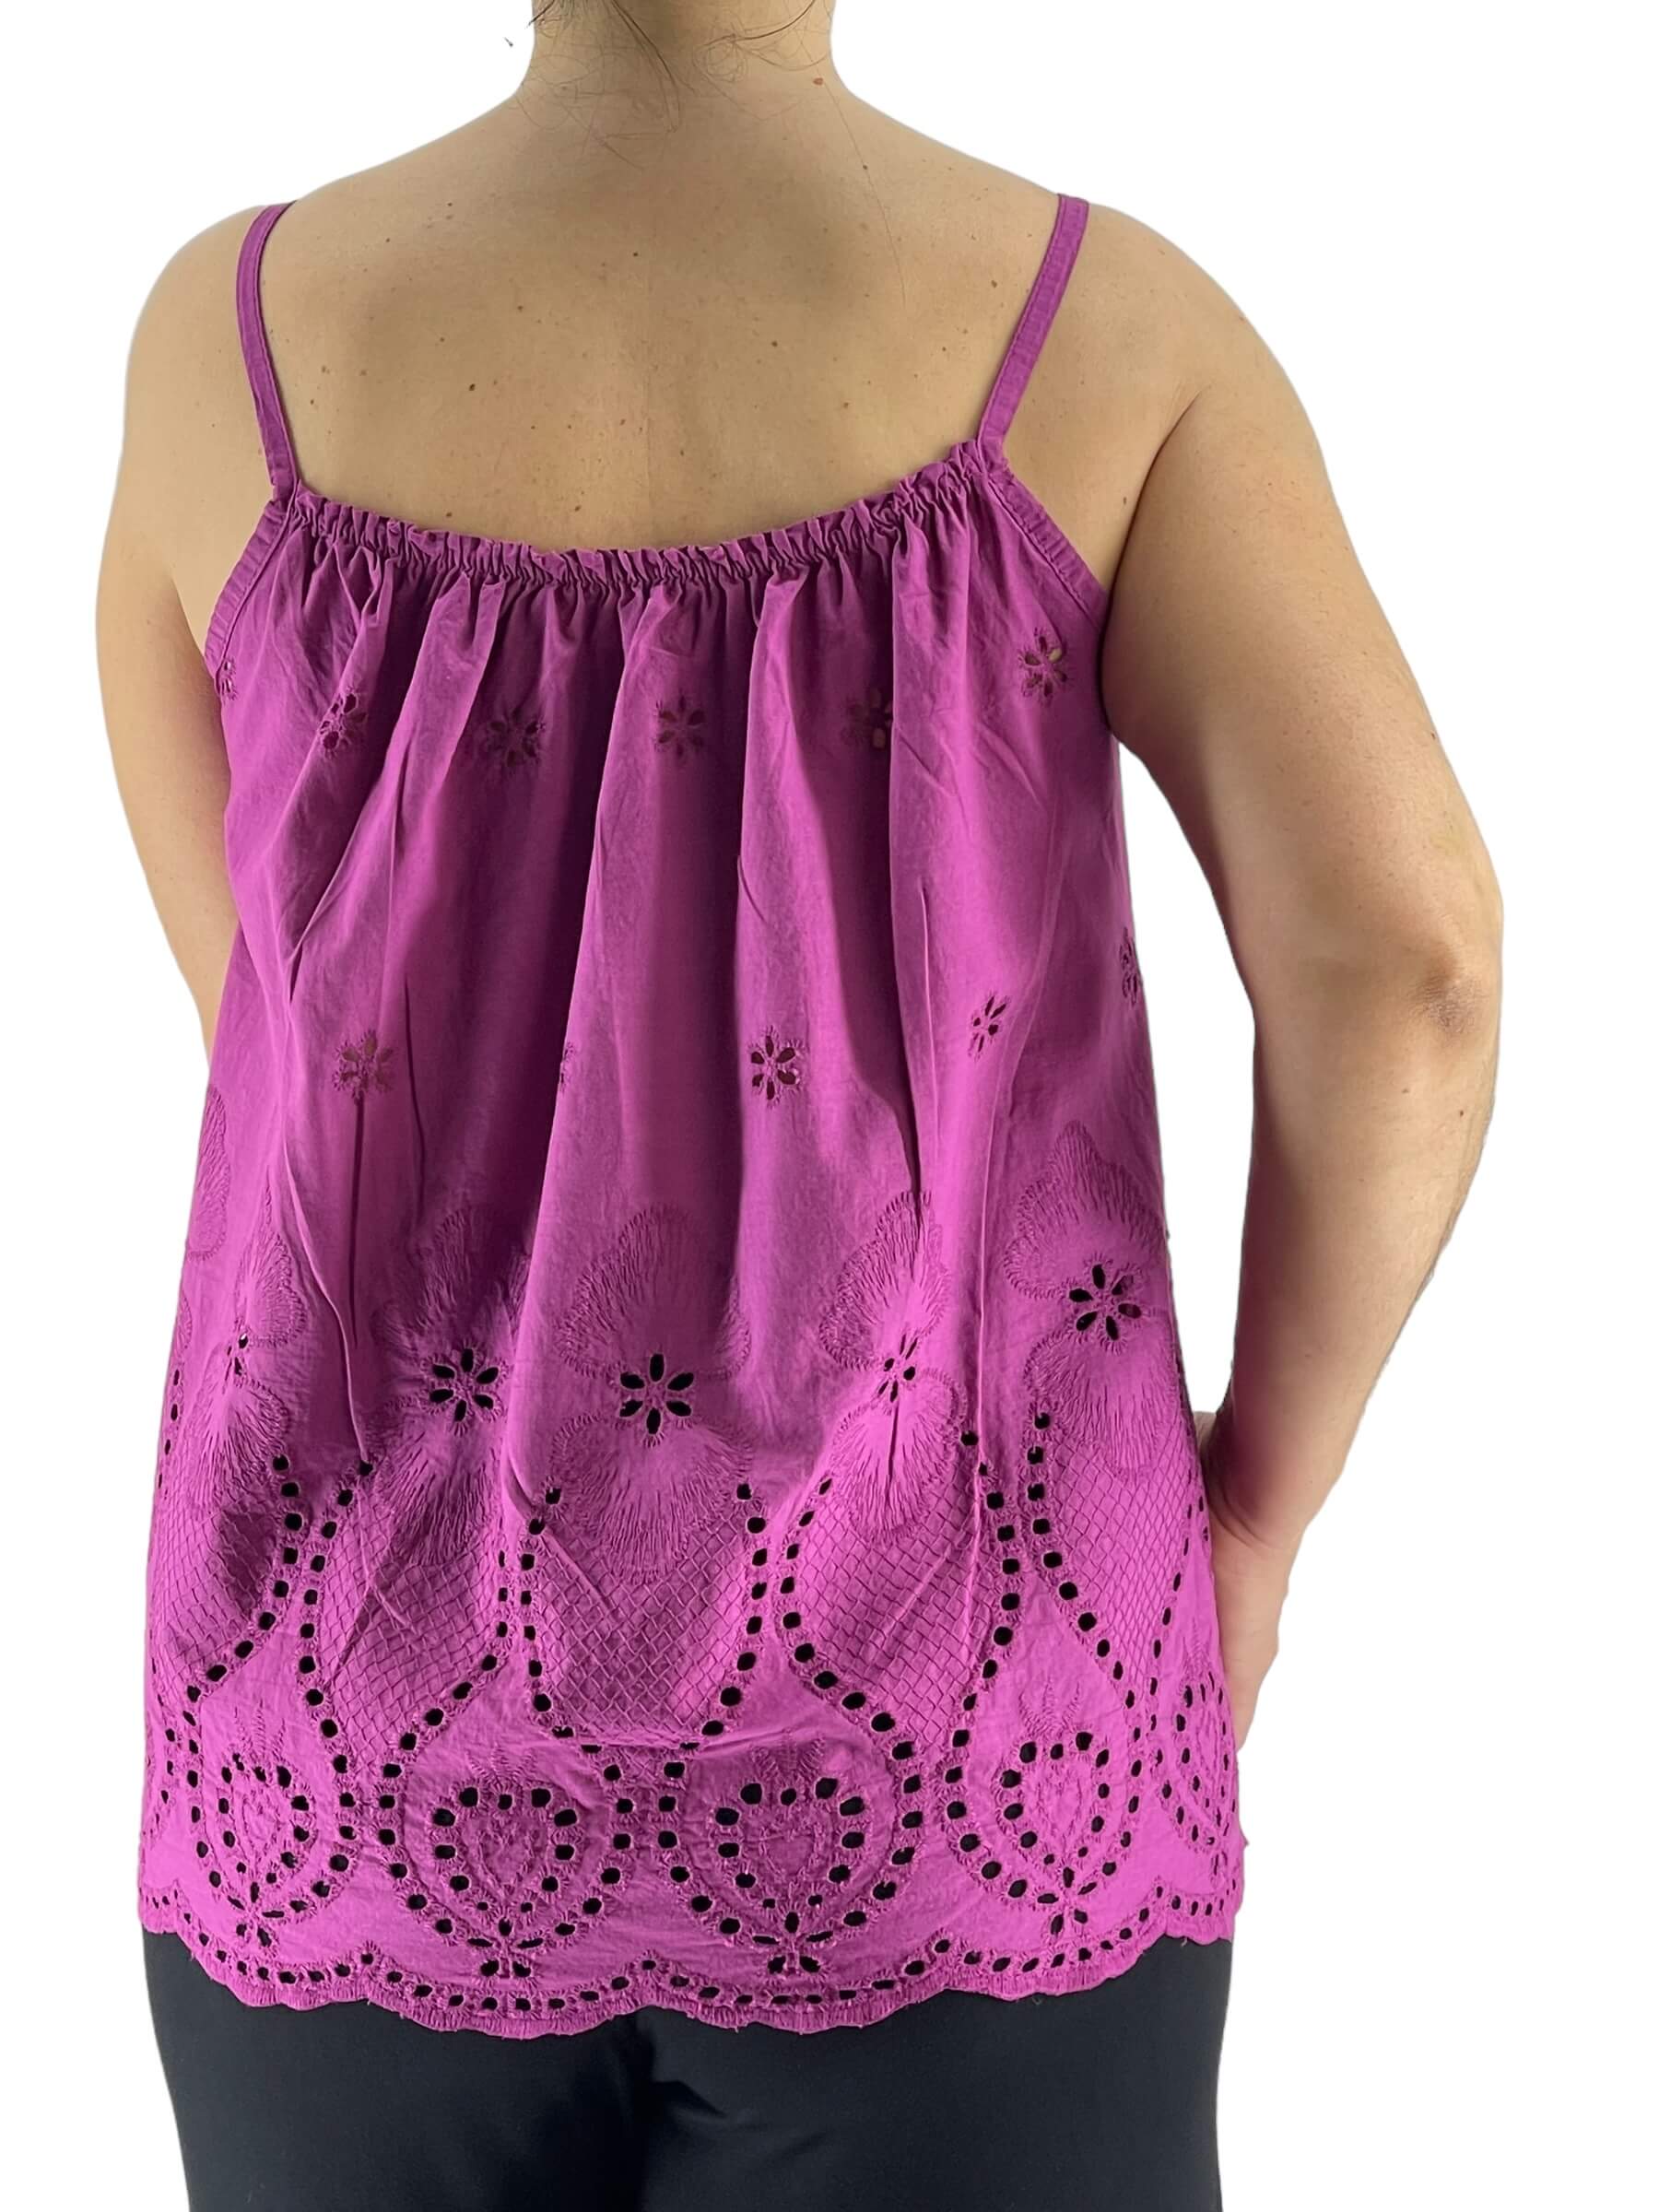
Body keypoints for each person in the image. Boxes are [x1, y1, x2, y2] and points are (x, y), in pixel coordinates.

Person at [96, 4, 1503, 2206]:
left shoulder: (229, 340)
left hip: (346, 1759)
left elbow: (278, 1036)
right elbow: (1410, 970)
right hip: (971, 1763)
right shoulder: (1107, 340)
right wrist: (1255, 1513)